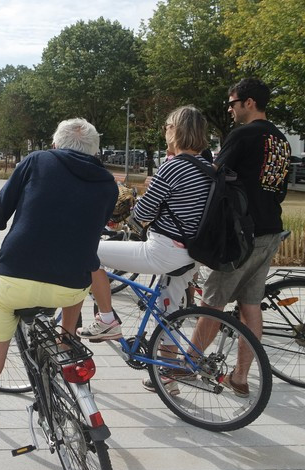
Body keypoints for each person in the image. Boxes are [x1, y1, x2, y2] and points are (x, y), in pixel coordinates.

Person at [0, 118, 117, 470]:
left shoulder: (38, 161)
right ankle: (64, 341)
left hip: (13, 282)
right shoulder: (108, 183)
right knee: (78, 280)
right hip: (68, 288)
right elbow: (86, 236)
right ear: (95, 150)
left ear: (57, 145)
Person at [80, 105, 213, 341]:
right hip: (193, 253)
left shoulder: (174, 166)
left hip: (164, 250)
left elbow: (142, 211)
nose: (165, 132)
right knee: (167, 313)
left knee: (88, 254)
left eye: (167, 126)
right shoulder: (207, 168)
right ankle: (167, 370)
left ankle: (107, 320)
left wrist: (136, 200)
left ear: (176, 130)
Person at [194, 78, 290, 397]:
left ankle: (179, 368)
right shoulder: (280, 140)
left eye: (232, 103)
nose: (230, 109)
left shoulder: (244, 134)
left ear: (249, 103)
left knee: (213, 303)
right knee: (251, 306)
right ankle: (240, 375)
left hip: (241, 234)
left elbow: (213, 174)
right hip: (270, 229)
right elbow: (281, 189)